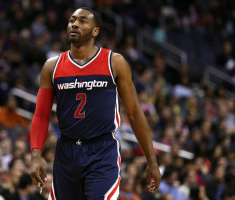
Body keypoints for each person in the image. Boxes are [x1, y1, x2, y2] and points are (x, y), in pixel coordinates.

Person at [29, 7, 161, 200]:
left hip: (102, 150)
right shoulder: (52, 66)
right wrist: (35, 156)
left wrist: (152, 161)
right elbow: (41, 115)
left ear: (95, 31)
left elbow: (133, 112)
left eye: (83, 21)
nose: (75, 24)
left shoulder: (114, 62)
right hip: (66, 151)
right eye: (72, 20)